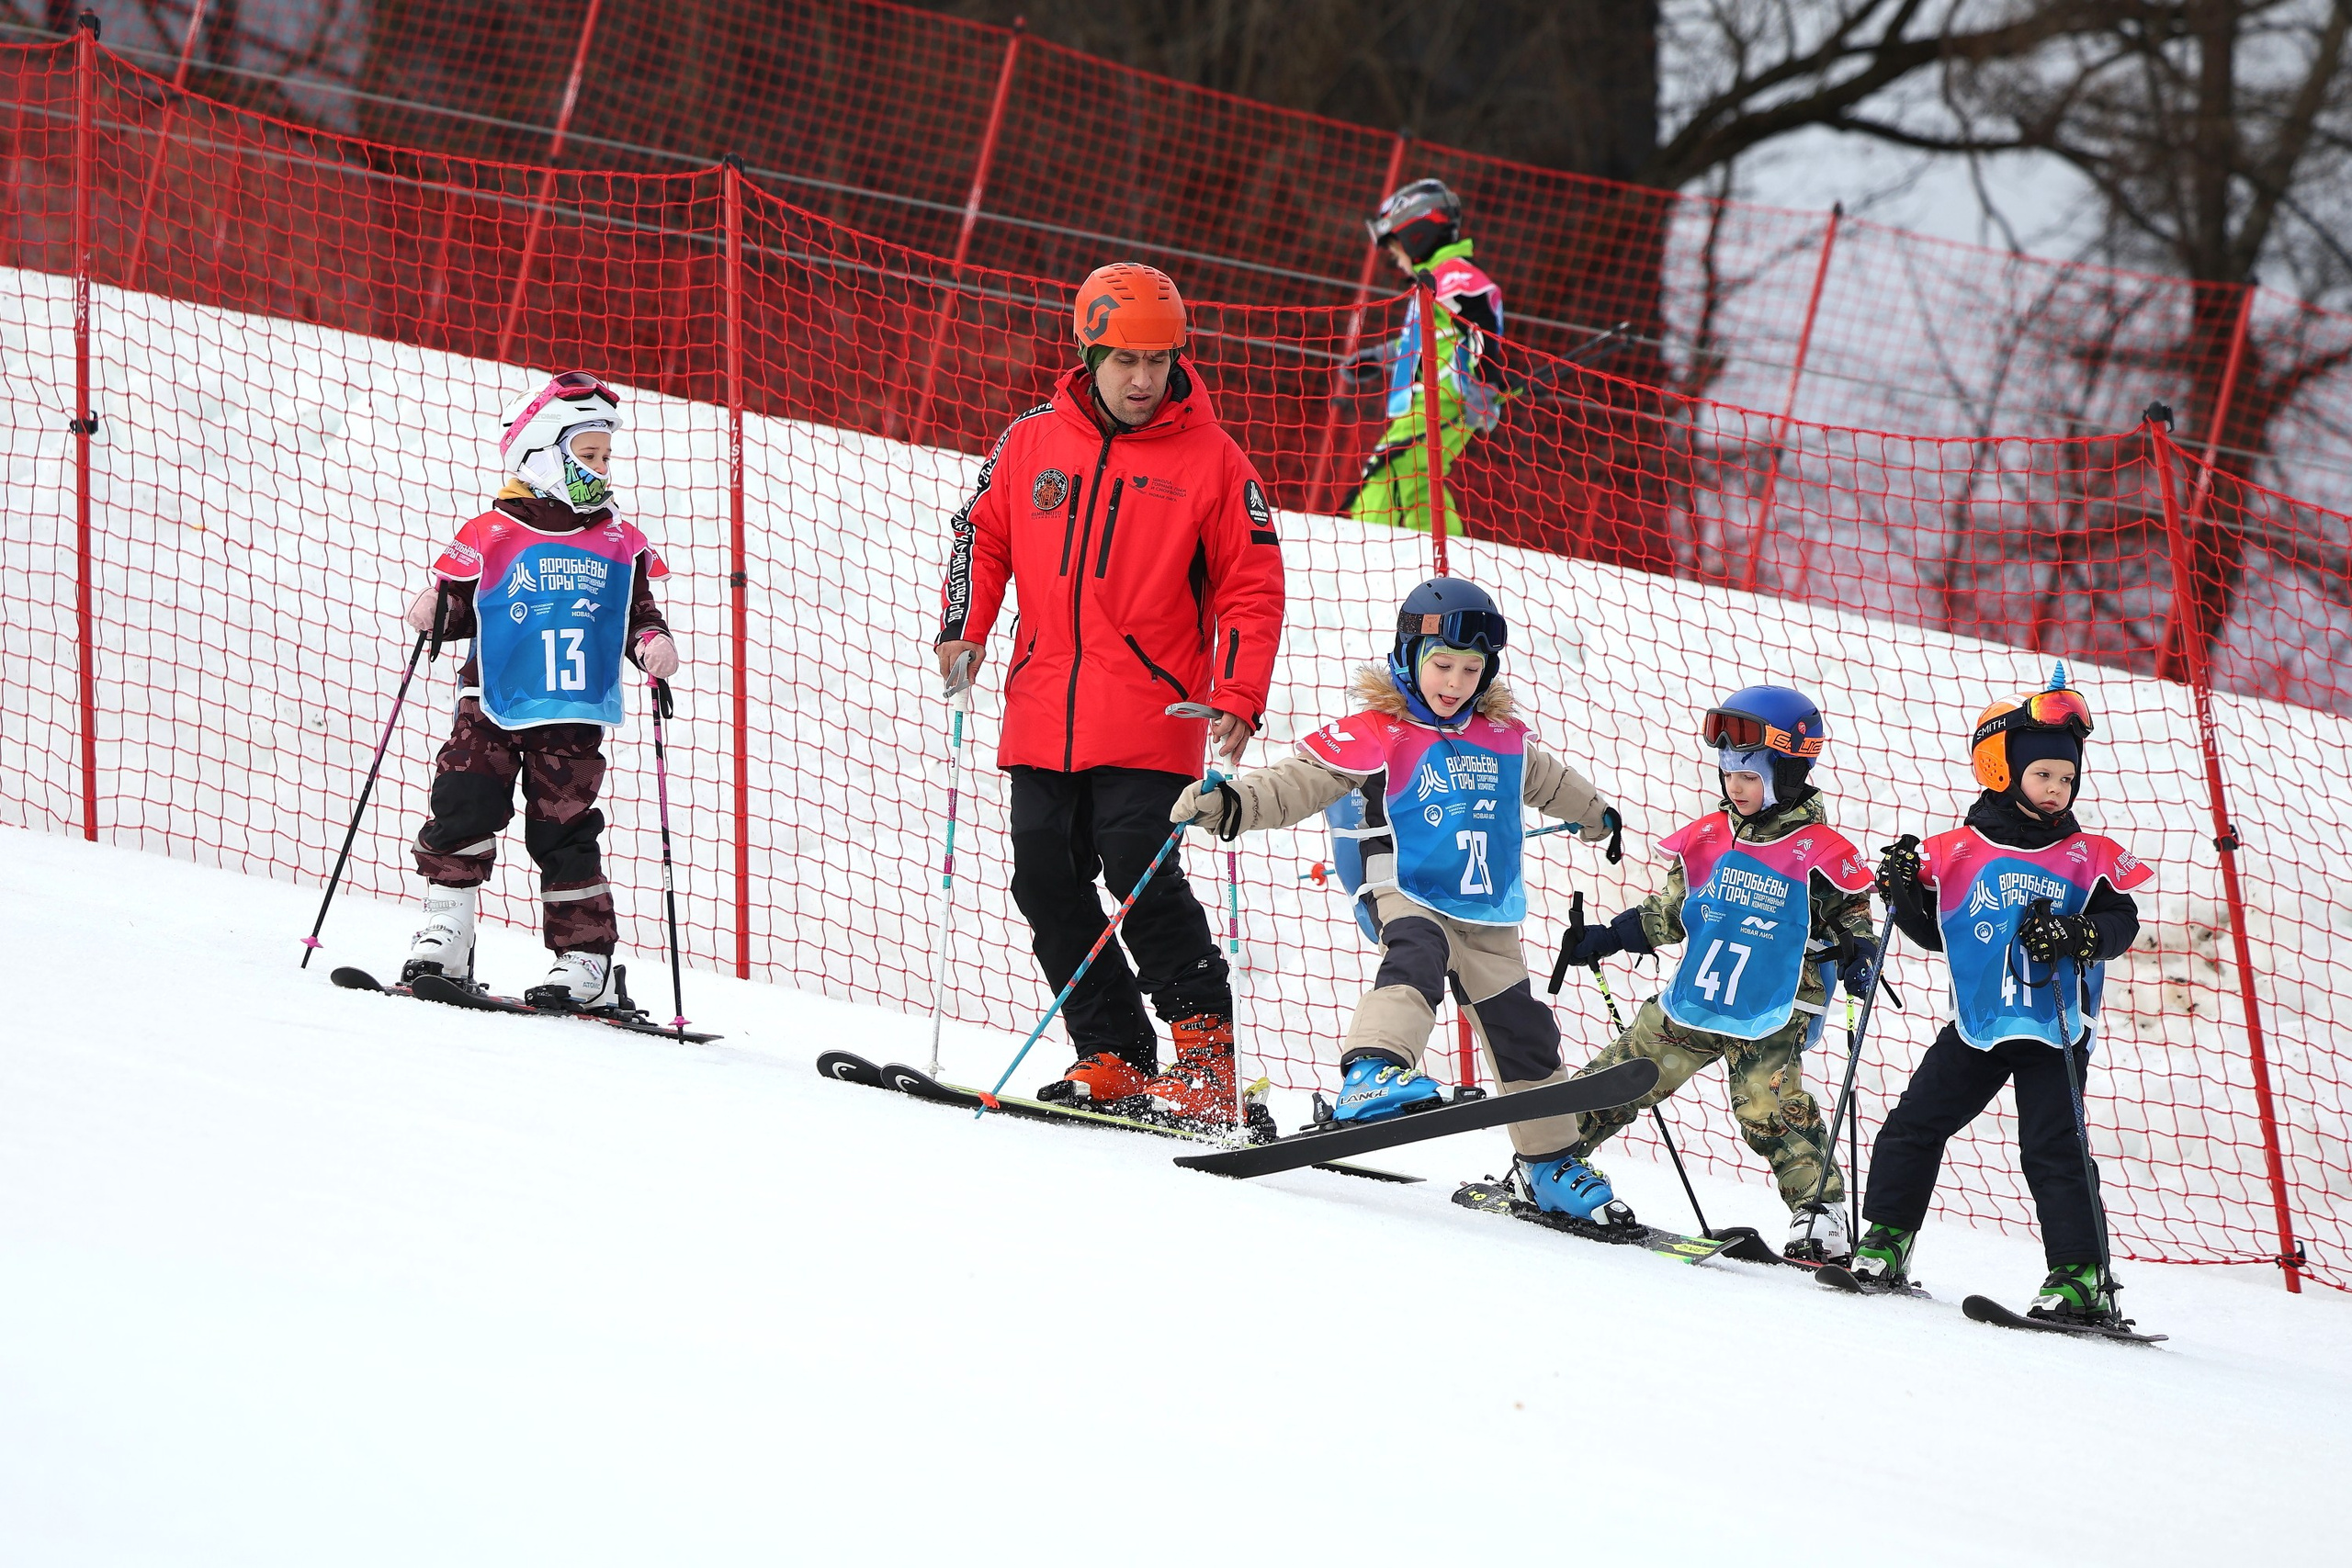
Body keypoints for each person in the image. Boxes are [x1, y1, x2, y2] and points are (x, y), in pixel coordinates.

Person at [934, 262, 1285, 1128]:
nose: (1142, 379)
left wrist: (1237, 692)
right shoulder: (1030, 441)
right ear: (1087, 353)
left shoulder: (1214, 462)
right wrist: (964, 628)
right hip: (1042, 708)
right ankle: (1115, 1055)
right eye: (1125, 360)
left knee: (1139, 869)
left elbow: (1252, 584)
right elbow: (980, 537)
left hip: (1153, 715)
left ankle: (1206, 1061)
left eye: (1159, 362)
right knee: (1043, 877)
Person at [1168, 577, 1628, 1201]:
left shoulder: (1503, 738)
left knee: (1522, 1027)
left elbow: (1549, 780)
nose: (1456, 682)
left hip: (1487, 910)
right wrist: (1233, 803)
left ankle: (1549, 1164)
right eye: (1442, 664)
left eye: (1471, 669)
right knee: (1415, 956)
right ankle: (1371, 1071)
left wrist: (1596, 814)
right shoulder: (1378, 731)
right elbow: (1298, 782)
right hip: (1406, 889)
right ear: (1408, 655)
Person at [1855, 671, 2152, 1325]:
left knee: (2054, 1148)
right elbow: (1935, 933)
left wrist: (2078, 932)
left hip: (2054, 1029)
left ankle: (2081, 1278)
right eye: (2044, 774)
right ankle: (1885, 1241)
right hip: (1979, 1026)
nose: (2057, 789)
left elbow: (2121, 924)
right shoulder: (1957, 851)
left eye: (2066, 779)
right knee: (1913, 1124)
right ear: (2002, 769)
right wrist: (1903, 888)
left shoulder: (2086, 855)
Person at [1559, 686, 1879, 1260]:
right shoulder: (1709, 838)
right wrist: (1608, 937)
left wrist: (1858, 951)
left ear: (1788, 771)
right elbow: (1671, 912)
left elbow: (1855, 918)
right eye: (1730, 775)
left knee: (1767, 1109)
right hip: (1698, 998)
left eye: (1751, 777)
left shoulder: (1822, 851)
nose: (1736, 787)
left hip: (1774, 1007)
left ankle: (1820, 1213)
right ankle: (1551, 1159)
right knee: (1625, 1073)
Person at [397, 371, 681, 1008]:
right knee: (463, 801)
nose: (600, 468)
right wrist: (436, 610)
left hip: (571, 710)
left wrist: (651, 644)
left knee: (563, 829)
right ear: (544, 452)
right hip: (490, 701)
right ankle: (448, 931)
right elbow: (463, 603)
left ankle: (587, 962)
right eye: (587, 455)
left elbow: (635, 613)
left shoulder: (616, 541)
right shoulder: (491, 532)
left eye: (605, 456)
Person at [1341, 178, 1507, 535]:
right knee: (1420, 493)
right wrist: (1380, 358)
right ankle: (1453, 568)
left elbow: (1482, 326)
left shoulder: (1454, 275)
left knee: (1386, 476)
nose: (1396, 259)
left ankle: (1362, 555)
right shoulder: (1436, 280)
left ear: (1417, 233)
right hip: (1432, 403)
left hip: (1441, 403)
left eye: (1395, 248)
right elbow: (1429, 343)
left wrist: (1487, 384)